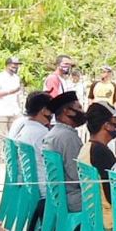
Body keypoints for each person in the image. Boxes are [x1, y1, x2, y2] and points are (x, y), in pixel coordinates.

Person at [13, 91, 53, 231]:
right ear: (44, 110)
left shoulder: (25, 129)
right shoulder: (43, 134)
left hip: (32, 185)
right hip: (46, 189)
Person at [43, 91, 86, 221]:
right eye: (79, 108)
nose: (82, 112)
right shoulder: (67, 137)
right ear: (67, 111)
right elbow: (76, 176)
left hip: (58, 195)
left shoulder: (54, 133)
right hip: (73, 198)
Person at [78, 102, 116, 231]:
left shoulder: (86, 148)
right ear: (107, 125)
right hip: (109, 220)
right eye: (115, 120)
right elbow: (113, 195)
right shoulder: (102, 153)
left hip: (94, 215)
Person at [0, 56, 23, 144]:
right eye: (14, 64)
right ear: (7, 65)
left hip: (14, 110)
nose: (16, 67)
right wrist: (10, 92)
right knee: (1, 135)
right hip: (1, 111)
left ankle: (12, 153)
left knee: (16, 134)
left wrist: (19, 108)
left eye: (17, 65)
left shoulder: (16, 78)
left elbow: (17, 95)